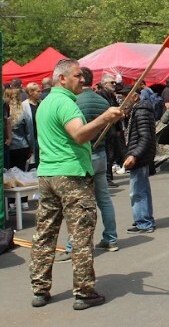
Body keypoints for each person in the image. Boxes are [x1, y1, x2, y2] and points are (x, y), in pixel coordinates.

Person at [30, 58, 124, 310]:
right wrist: (104, 118)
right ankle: (84, 292)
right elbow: (78, 133)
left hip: (48, 175)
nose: (82, 79)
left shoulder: (45, 103)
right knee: (81, 235)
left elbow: (70, 139)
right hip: (70, 176)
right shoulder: (65, 103)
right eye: (77, 76)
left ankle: (40, 289)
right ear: (62, 78)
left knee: (44, 235)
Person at [56, 67, 121, 262]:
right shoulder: (103, 102)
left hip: (83, 156)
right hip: (100, 154)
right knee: (104, 199)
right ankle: (110, 238)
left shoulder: (73, 102)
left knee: (78, 204)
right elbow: (111, 131)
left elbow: (72, 133)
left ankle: (72, 245)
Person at [123, 89, 157, 233]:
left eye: (126, 98)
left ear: (135, 97)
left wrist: (134, 155)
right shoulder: (138, 110)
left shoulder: (140, 111)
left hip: (140, 156)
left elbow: (145, 137)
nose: (123, 102)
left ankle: (144, 222)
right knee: (142, 189)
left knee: (137, 191)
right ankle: (145, 219)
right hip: (141, 154)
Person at [5, 87, 32, 209]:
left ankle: (10, 201)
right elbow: (29, 131)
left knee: (9, 176)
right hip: (22, 146)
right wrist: (31, 147)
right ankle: (23, 201)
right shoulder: (23, 112)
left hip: (9, 147)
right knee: (22, 174)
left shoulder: (5, 112)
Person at [98, 73, 125, 187]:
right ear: (104, 84)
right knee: (108, 153)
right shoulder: (101, 96)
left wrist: (119, 128)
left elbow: (116, 111)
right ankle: (107, 177)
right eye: (112, 83)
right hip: (106, 129)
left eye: (115, 82)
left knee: (111, 153)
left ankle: (108, 176)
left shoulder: (112, 96)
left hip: (113, 128)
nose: (114, 84)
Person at [23, 82, 42, 169]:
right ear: (31, 92)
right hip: (32, 137)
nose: (40, 93)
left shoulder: (41, 104)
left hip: (42, 136)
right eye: (38, 91)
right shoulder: (24, 106)